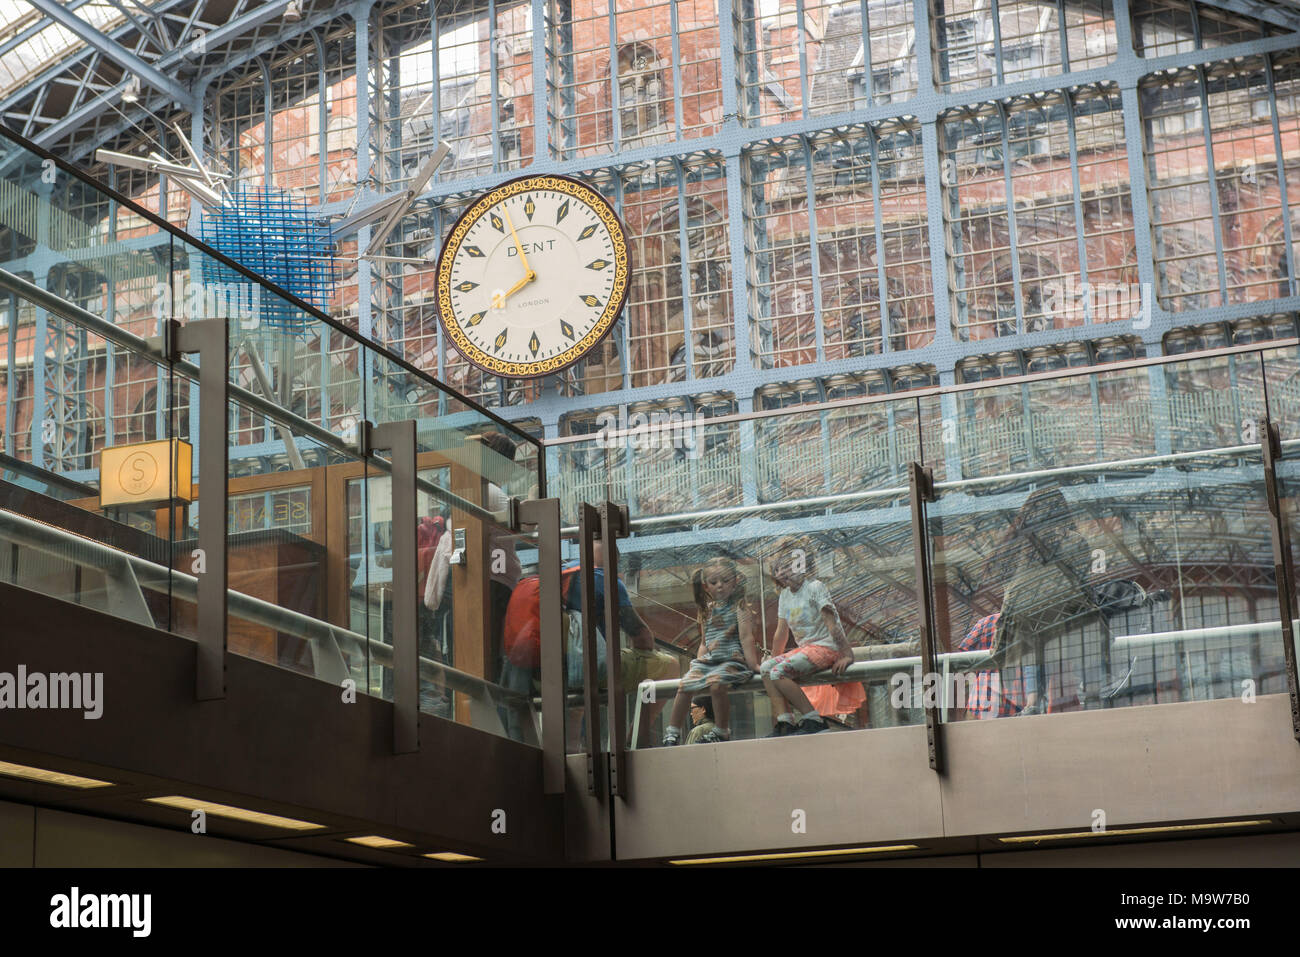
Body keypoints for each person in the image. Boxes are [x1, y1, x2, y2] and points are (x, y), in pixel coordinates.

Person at [563, 539, 677, 749]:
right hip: (596, 668)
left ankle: (572, 748)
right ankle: (633, 740)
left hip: (557, 669)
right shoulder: (605, 580)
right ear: (613, 559)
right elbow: (642, 637)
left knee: (578, 697)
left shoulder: (561, 575)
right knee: (670, 665)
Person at [760, 538, 855, 737]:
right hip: (807, 649)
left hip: (825, 646)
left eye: (786, 566)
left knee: (778, 673)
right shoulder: (785, 595)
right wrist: (773, 657)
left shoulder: (815, 587)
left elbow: (832, 622)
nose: (781, 573)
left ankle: (812, 718)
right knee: (767, 669)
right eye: (777, 569)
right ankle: (784, 720)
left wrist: (846, 653)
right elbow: (781, 633)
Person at [661, 557, 760, 746]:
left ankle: (722, 730)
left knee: (716, 685)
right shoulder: (706, 610)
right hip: (710, 662)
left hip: (732, 660)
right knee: (685, 685)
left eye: (725, 581)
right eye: (714, 582)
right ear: (706, 586)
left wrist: (753, 664)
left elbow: (746, 637)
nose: (720, 586)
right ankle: (672, 731)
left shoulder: (740, 608)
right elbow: (704, 642)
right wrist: (699, 664)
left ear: (735, 581)